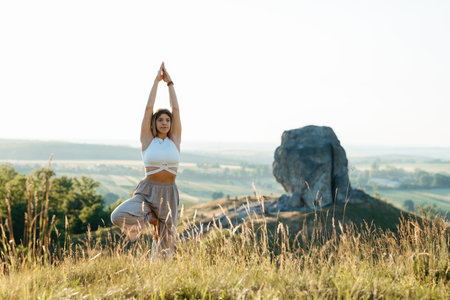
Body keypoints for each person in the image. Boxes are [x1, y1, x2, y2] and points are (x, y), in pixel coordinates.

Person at [111, 62, 181, 259]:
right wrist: (156, 82)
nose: (165, 123)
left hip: (169, 193)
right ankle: (151, 219)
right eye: (161, 120)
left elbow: (176, 109)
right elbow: (148, 108)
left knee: (165, 248)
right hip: (148, 190)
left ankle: (158, 278)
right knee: (118, 216)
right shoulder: (147, 141)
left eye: (167, 120)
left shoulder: (174, 140)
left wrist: (170, 84)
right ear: (154, 123)